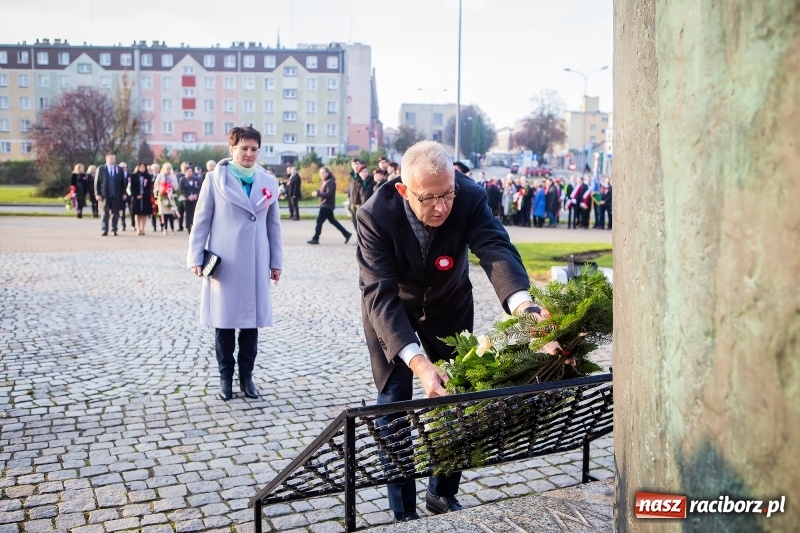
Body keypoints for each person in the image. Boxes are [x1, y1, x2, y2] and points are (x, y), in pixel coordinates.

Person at [355, 140, 548, 522]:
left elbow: (495, 248)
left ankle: (441, 493)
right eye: (429, 198)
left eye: (447, 194)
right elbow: (379, 294)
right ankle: (402, 511)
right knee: (394, 405)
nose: (442, 207)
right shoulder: (374, 214)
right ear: (403, 190)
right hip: (394, 314)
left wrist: (525, 307)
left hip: (449, 307)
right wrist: (420, 364)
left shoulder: (470, 196)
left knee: (457, 399)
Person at [187, 126, 283, 401]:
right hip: (225, 264)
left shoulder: (267, 180)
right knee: (225, 324)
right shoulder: (215, 179)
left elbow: (273, 226)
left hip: (255, 262)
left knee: (251, 326)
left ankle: (247, 378)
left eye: (254, 148)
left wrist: (276, 261)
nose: (249, 153)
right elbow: (201, 220)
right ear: (232, 150)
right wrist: (195, 256)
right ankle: (225, 378)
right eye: (244, 148)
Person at [307, 166, 352, 245]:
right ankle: (346, 234)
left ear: (328, 173)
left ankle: (315, 238)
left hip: (327, 205)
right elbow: (323, 191)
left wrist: (318, 193)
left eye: (323, 173)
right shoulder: (324, 181)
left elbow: (329, 193)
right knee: (333, 221)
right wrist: (317, 192)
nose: (322, 174)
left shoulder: (331, 182)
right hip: (324, 204)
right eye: (321, 173)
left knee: (319, 221)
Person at [94, 152, 127, 236]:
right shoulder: (101, 169)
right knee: (105, 213)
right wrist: (97, 193)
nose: (113, 160)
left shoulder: (118, 169)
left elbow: (123, 182)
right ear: (107, 158)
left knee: (116, 213)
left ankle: (114, 229)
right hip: (105, 195)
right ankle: (105, 229)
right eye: (111, 158)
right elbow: (97, 182)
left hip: (116, 194)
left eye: (114, 158)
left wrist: (124, 193)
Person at [130, 163, 154, 235]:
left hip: (145, 197)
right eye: (141, 167)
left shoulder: (148, 176)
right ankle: (138, 228)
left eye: (144, 167)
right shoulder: (134, 176)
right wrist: (136, 195)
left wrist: (143, 195)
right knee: (137, 213)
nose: (142, 168)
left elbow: (149, 187)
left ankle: (142, 229)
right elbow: (132, 187)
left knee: (144, 213)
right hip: (136, 198)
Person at [180, 166, 201, 234]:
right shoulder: (182, 180)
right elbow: (181, 190)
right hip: (186, 199)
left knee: (194, 213)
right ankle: (188, 227)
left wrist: (196, 195)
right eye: (188, 171)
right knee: (188, 213)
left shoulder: (196, 179)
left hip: (195, 199)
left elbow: (200, 188)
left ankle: (194, 226)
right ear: (185, 172)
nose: (189, 173)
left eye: (191, 171)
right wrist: (187, 196)